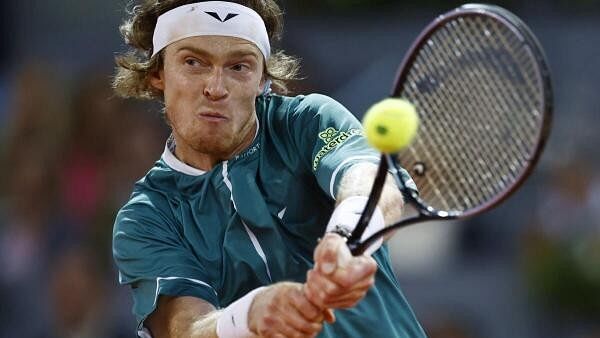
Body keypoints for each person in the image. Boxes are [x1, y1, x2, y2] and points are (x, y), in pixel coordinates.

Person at [111, 1, 426, 337]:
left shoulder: (306, 122)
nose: (216, 88)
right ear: (158, 73)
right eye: (193, 62)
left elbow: (373, 184)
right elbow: (185, 329)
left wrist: (345, 238)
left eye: (239, 67)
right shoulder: (146, 218)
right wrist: (249, 316)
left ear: (262, 79)